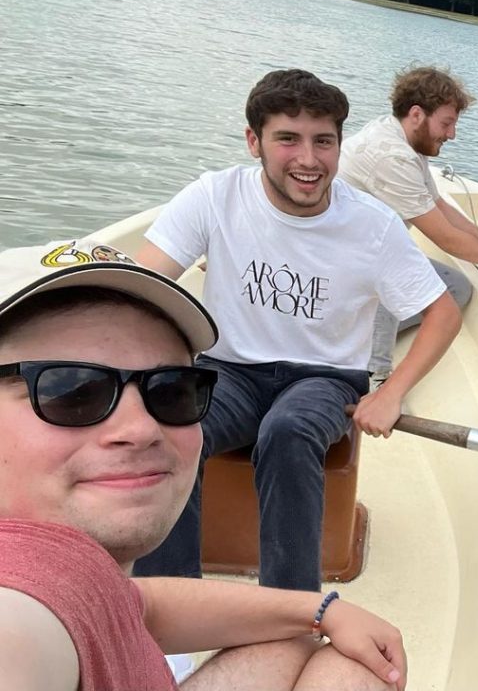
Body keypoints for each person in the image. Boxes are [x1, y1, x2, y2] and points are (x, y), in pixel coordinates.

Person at [0, 239, 406, 690]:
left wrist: (319, 609)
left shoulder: (82, 577)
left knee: (304, 643)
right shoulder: (22, 607)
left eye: (171, 390)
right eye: (71, 391)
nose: (141, 428)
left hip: (324, 378)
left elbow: (136, 603)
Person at [131, 69, 462, 592]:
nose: (309, 160)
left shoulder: (373, 225)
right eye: (288, 138)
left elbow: (443, 311)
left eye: (323, 141)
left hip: (324, 378)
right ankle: (171, 603)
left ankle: (289, 612)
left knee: (286, 433)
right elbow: (142, 285)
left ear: (338, 145)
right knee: (171, 425)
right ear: (253, 141)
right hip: (228, 370)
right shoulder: (215, 196)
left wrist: (392, 393)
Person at [339, 66, 478, 383]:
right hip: (340, 262)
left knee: (456, 290)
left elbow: (440, 207)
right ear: (416, 114)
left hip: (363, 257)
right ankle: (374, 374)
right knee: (390, 268)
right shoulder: (391, 156)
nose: (452, 134)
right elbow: (445, 237)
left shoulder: (408, 144)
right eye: (447, 123)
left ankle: (356, 330)